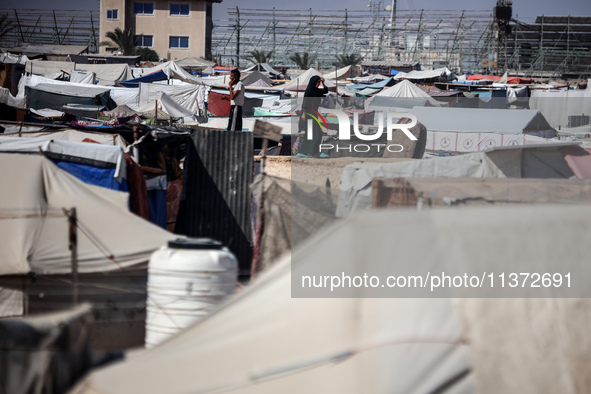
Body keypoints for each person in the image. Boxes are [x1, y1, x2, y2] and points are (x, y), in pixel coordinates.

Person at [297, 75, 328, 157]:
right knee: (315, 133)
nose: (318, 84)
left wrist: (323, 82)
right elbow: (305, 102)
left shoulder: (317, 91)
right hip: (307, 114)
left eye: (319, 82)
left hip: (314, 114)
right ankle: (306, 152)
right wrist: (303, 114)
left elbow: (325, 90)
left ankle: (313, 152)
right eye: (317, 82)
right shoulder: (309, 90)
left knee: (317, 133)